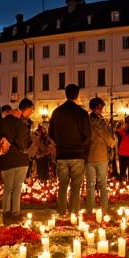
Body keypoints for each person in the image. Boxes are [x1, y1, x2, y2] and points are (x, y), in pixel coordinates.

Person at [49, 84, 90, 214]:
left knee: (62, 185)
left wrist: (60, 142)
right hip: (77, 154)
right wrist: (81, 145)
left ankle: (61, 211)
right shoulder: (82, 113)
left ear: (65, 94)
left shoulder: (57, 112)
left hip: (62, 154)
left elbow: (51, 133)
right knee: (76, 186)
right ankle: (74, 212)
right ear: (77, 95)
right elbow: (88, 135)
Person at [0, 98, 34, 219]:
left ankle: (6, 212)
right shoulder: (21, 124)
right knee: (17, 188)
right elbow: (23, 143)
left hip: (6, 159)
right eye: (31, 111)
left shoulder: (3, 122)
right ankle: (15, 212)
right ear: (27, 109)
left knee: (7, 188)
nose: (31, 114)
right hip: (20, 159)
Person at [83, 98, 114, 212]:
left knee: (90, 185)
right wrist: (113, 140)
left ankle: (90, 209)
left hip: (89, 156)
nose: (102, 111)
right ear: (97, 108)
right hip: (101, 156)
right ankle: (104, 209)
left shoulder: (86, 121)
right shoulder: (101, 123)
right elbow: (110, 142)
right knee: (102, 184)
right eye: (101, 108)